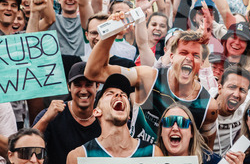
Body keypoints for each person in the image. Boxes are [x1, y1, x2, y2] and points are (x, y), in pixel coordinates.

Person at [87, 24, 219, 146]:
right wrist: (111, 31)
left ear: (202, 63)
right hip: (138, 163)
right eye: (183, 53)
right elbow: (95, 73)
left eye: (195, 55)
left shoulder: (208, 106)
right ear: (171, 57)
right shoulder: (148, 78)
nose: (189, 58)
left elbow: (206, 153)